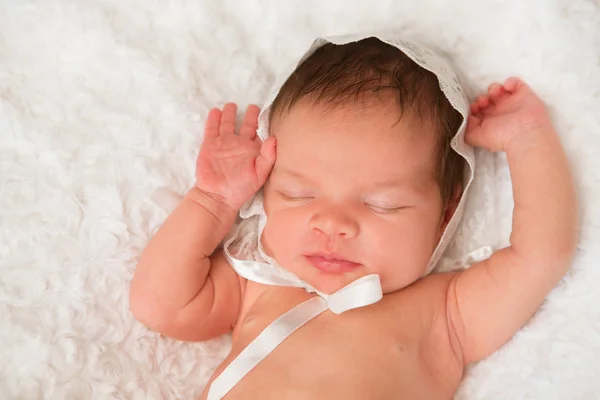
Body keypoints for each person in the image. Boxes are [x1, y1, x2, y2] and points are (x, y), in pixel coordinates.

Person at [129, 35, 578, 399]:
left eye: (381, 204)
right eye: (298, 194)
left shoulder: (446, 312)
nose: (333, 224)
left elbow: (540, 254)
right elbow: (160, 305)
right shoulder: (256, 283)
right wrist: (212, 201)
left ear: (444, 216)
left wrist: (528, 140)